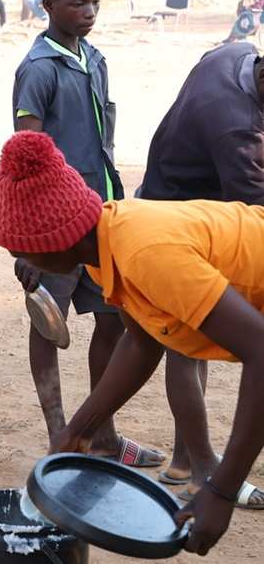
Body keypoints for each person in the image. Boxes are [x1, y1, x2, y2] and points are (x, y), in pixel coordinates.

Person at [0, 130, 264, 557]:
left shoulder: (146, 253)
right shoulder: (107, 242)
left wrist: (221, 491)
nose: (22, 261)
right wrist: (79, 430)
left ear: (54, 243)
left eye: (22, 251)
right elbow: (140, 343)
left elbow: (261, 351)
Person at [11, 0, 164, 467]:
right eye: (78, 3)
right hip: (56, 229)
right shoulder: (38, 70)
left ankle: (101, 436)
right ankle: (59, 434)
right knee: (47, 323)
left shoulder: (94, 58)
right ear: (48, 4)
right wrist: (31, 242)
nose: (90, 11)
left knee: (112, 320)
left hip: (101, 218)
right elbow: (28, 154)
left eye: (95, 2)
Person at [135, 40, 264, 508]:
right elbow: (255, 215)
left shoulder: (234, 53)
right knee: (185, 345)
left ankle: (184, 460)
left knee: (185, 342)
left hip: (169, 209)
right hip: (174, 228)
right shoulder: (237, 131)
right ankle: (203, 469)